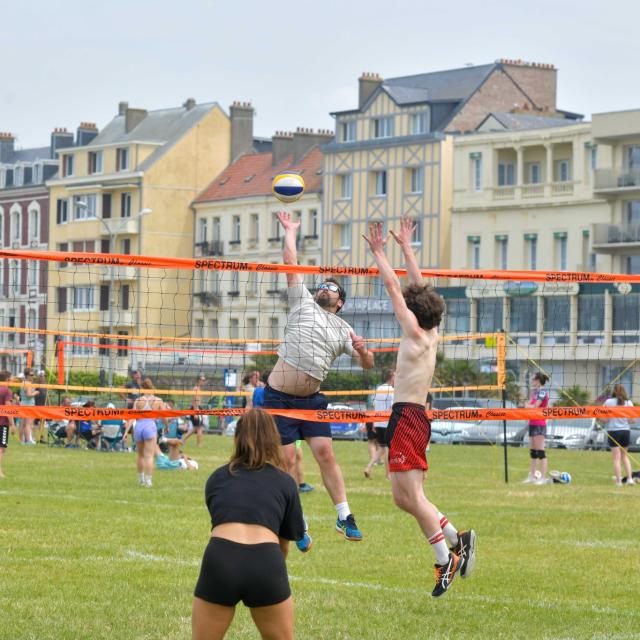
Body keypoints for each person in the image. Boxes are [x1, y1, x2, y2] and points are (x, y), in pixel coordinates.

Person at [364, 218, 476, 598]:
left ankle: (447, 559)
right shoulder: (432, 329)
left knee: (410, 497)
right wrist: (407, 247)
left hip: (409, 417)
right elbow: (418, 287)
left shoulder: (413, 333)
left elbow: (396, 286)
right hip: (411, 417)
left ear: (414, 313)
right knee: (402, 497)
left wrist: (380, 252)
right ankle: (457, 538)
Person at [263, 211, 374, 548]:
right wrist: (291, 231)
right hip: (279, 398)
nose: (324, 288)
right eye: (323, 284)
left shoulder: (343, 328)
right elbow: (290, 261)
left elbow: (367, 365)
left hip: (311, 401)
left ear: (339, 302)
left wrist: (364, 351)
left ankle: (344, 516)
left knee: (325, 454)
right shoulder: (302, 302)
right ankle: (297, 521)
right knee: (286, 462)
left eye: (331, 288)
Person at [192, 409, 305, 640]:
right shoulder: (286, 482)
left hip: (221, 558)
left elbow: (220, 523)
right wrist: (266, 571)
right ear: (274, 440)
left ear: (237, 438)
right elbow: (283, 546)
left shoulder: (217, 478)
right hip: (266, 560)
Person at [130, 378, 164, 487]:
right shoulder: (158, 400)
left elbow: (132, 417)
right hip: (150, 425)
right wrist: (167, 426)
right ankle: (148, 481)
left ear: (142, 388)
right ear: (152, 387)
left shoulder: (138, 400)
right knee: (149, 456)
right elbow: (165, 416)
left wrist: (126, 431)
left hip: (139, 426)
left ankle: (141, 480)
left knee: (140, 456)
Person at [364, 369, 395, 479]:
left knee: (381, 448)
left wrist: (373, 422)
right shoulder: (391, 390)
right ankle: (388, 474)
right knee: (388, 449)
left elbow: (374, 405)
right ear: (392, 377)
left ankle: (368, 467)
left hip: (378, 422)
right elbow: (392, 408)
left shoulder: (379, 389)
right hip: (387, 423)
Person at [603, 384, 635, 486]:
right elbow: (632, 420)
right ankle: (630, 479)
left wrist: (599, 419)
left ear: (614, 391)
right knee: (624, 456)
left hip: (614, 432)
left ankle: (619, 482)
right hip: (625, 431)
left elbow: (605, 419)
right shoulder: (629, 403)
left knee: (616, 458)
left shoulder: (608, 402)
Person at [523, 372, 550, 484]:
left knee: (540, 452)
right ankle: (532, 476)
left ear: (538, 380)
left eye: (533, 378)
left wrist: (529, 406)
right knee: (533, 452)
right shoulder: (535, 392)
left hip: (540, 423)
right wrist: (529, 406)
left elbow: (534, 406)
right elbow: (527, 405)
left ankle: (543, 478)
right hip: (532, 422)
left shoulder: (543, 391)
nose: (532, 380)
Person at [0, 370, 15, 478]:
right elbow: (7, 409)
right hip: (2, 423)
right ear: (7, 380)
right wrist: (13, 424)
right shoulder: (7, 391)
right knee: (1, 448)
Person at [19, 369, 38, 445]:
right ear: (26, 375)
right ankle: (28, 441)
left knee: (23, 423)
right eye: (31, 375)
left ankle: (22, 440)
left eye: (33, 374)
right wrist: (36, 392)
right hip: (28, 405)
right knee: (28, 423)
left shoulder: (23, 382)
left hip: (23, 404)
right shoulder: (28, 383)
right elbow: (29, 395)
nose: (33, 376)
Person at [189, 374, 207, 446]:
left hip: (198, 408)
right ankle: (199, 444)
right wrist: (196, 412)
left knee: (195, 428)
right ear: (199, 380)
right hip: (196, 408)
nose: (204, 381)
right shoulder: (196, 389)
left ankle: (183, 439)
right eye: (203, 380)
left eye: (204, 380)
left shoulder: (198, 388)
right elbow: (195, 400)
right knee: (199, 427)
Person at [33, 370, 48, 444]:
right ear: (38, 377)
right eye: (41, 376)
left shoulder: (46, 385)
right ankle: (34, 437)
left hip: (43, 407)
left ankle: (41, 437)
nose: (42, 377)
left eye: (43, 376)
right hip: (36, 406)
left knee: (42, 423)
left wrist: (48, 404)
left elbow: (47, 396)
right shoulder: (36, 385)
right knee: (35, 423)